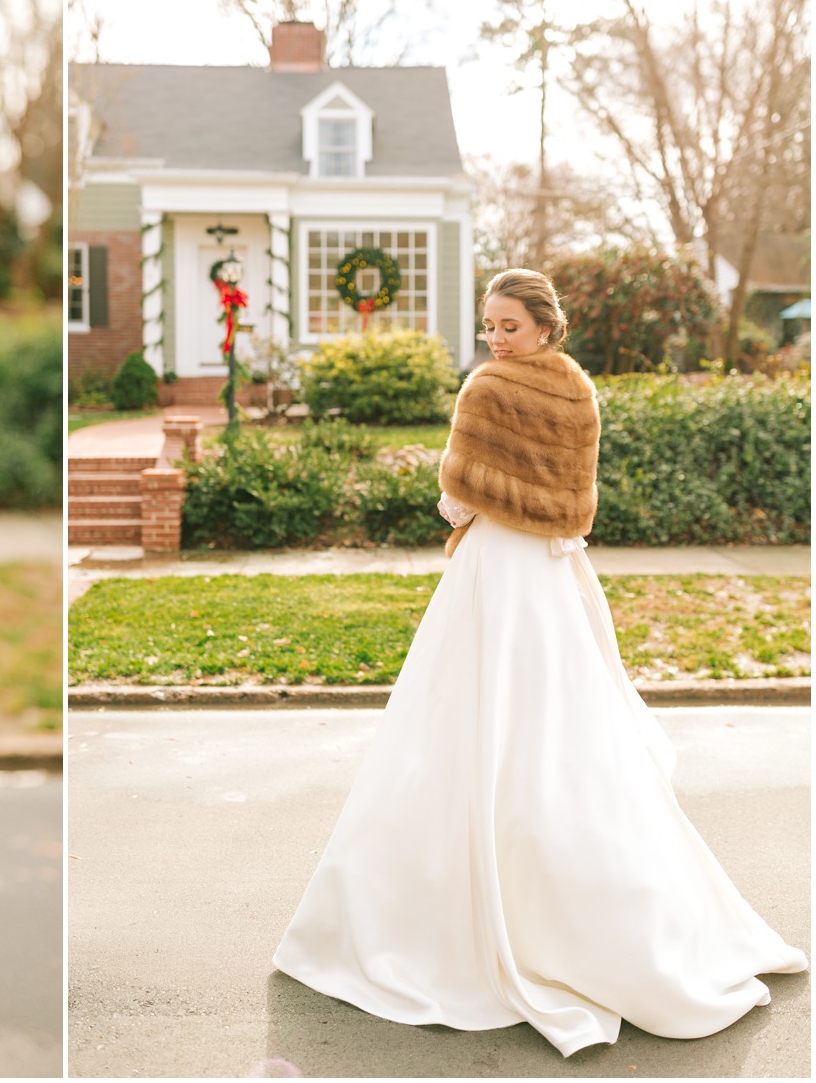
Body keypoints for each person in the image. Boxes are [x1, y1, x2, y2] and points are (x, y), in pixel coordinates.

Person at [273, 268, 807, 1057]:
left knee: (473, 726)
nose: (494, 337)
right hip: (554, 577)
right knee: (558, 733)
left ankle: (461, 915)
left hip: (498, 573)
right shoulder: (580, 391)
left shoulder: (487, 391)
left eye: (508, 325)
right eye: (489, 324)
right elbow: (577, 500)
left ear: (545, 326)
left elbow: (456, 498)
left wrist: (480, 498)